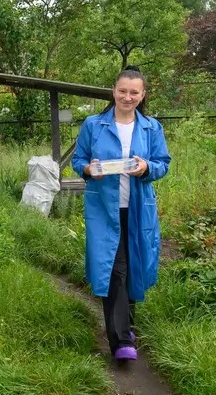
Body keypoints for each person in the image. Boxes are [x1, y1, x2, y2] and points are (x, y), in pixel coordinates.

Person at [71, 66, 171, 362]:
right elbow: (79, 160)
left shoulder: (152, 127)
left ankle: (126, 325)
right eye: (122, 91)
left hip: (139, 209)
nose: (127, 97)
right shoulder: (93, 124)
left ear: (142, 95)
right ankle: (121, 340)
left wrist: (146, 168)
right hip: (104, 209)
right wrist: (89, 169)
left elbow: (163, 163)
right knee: (114, 270)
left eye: (134, 92)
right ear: (113, 91)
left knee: (133, 267)